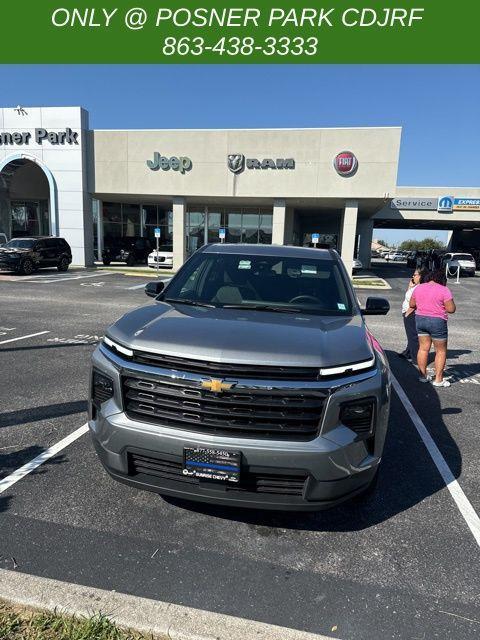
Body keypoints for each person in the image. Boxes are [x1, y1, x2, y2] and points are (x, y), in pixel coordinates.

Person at [409, 269, 456, 388]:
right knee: (440, 351)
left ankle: (423, 376)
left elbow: (412, 304)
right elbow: (451, 309)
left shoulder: (419, 287)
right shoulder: (443, 289)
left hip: (420, 319)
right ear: (441, 278)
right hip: (437, 321)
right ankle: (438, 379)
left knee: (423, 349)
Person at [398, 268, 425, 362]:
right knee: (410, 334)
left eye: (415, 275)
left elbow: (417, 302)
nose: (413, 277)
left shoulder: (420, 287)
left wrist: (409, 311)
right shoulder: (415, 286)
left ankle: (416, 357)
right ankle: (408, 352)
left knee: (413, 335)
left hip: (411, 313)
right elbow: (409, 296)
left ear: (421, 276)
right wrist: (410, 286)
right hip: (407, 312)